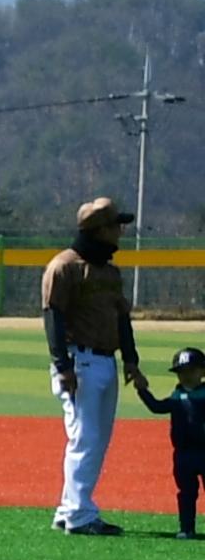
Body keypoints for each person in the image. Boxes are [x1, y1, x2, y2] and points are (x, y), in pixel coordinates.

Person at [43, 196, 150, 535]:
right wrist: (63, 366)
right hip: (80, 360)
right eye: (116, 225)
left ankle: (69, 507)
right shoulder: (65, 266)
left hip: (105, 361)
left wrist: (131, 360)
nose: (121, 231)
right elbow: (53, 318)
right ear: (99, 229)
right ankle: (79, 515)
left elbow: (122, 319)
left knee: (95, 439)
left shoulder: (110, 271)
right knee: (85, 438)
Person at [142, 344, 205, 538]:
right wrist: (142, 390)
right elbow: (157, 407)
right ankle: (186, 529)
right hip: (183, 453)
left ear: (202, 371)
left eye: (191, 371)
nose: (186, 376)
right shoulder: (176, 396)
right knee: (186, 493)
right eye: (181, 372)